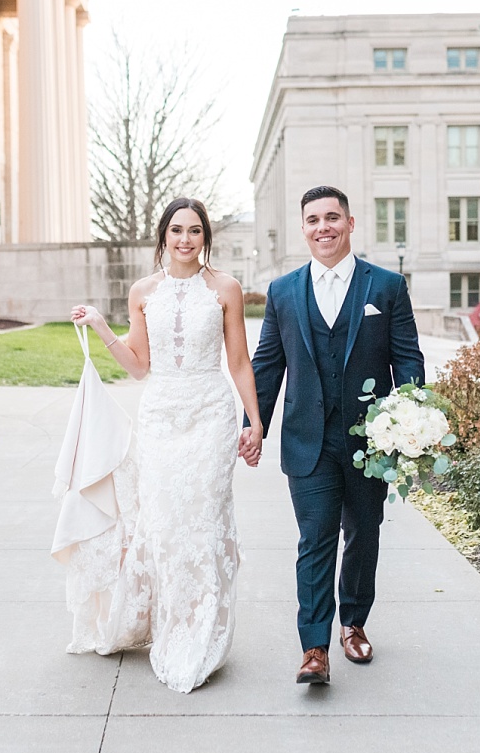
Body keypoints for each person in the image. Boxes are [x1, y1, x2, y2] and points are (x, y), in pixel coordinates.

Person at [68, 196, 263, 693]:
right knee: (164, 522)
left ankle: (200, 631)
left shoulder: (225, 289)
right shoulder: (143, 292)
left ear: (205, 237)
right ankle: (167, 624)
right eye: (176, 230)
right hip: (159, 416)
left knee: (202, 519)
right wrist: (99, 326)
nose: (184, 239)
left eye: (194, 231)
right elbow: (138, 366)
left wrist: (254, 422)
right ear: (163, 235)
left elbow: (239, 363)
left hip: (210, 416)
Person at [243, 185, 424, 685]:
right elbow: (268, 366)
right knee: (315, 538)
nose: (323, 227)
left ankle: (354, 623)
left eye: (332, 218)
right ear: (304, 228)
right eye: (313, 220)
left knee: (363, 535)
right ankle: (315, 647)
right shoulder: (283, 292)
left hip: (372, 442)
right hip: (308, 441)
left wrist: (410, 419)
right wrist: (252, 422)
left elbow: (407, 358)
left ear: (349, 223)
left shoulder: (386, 287)